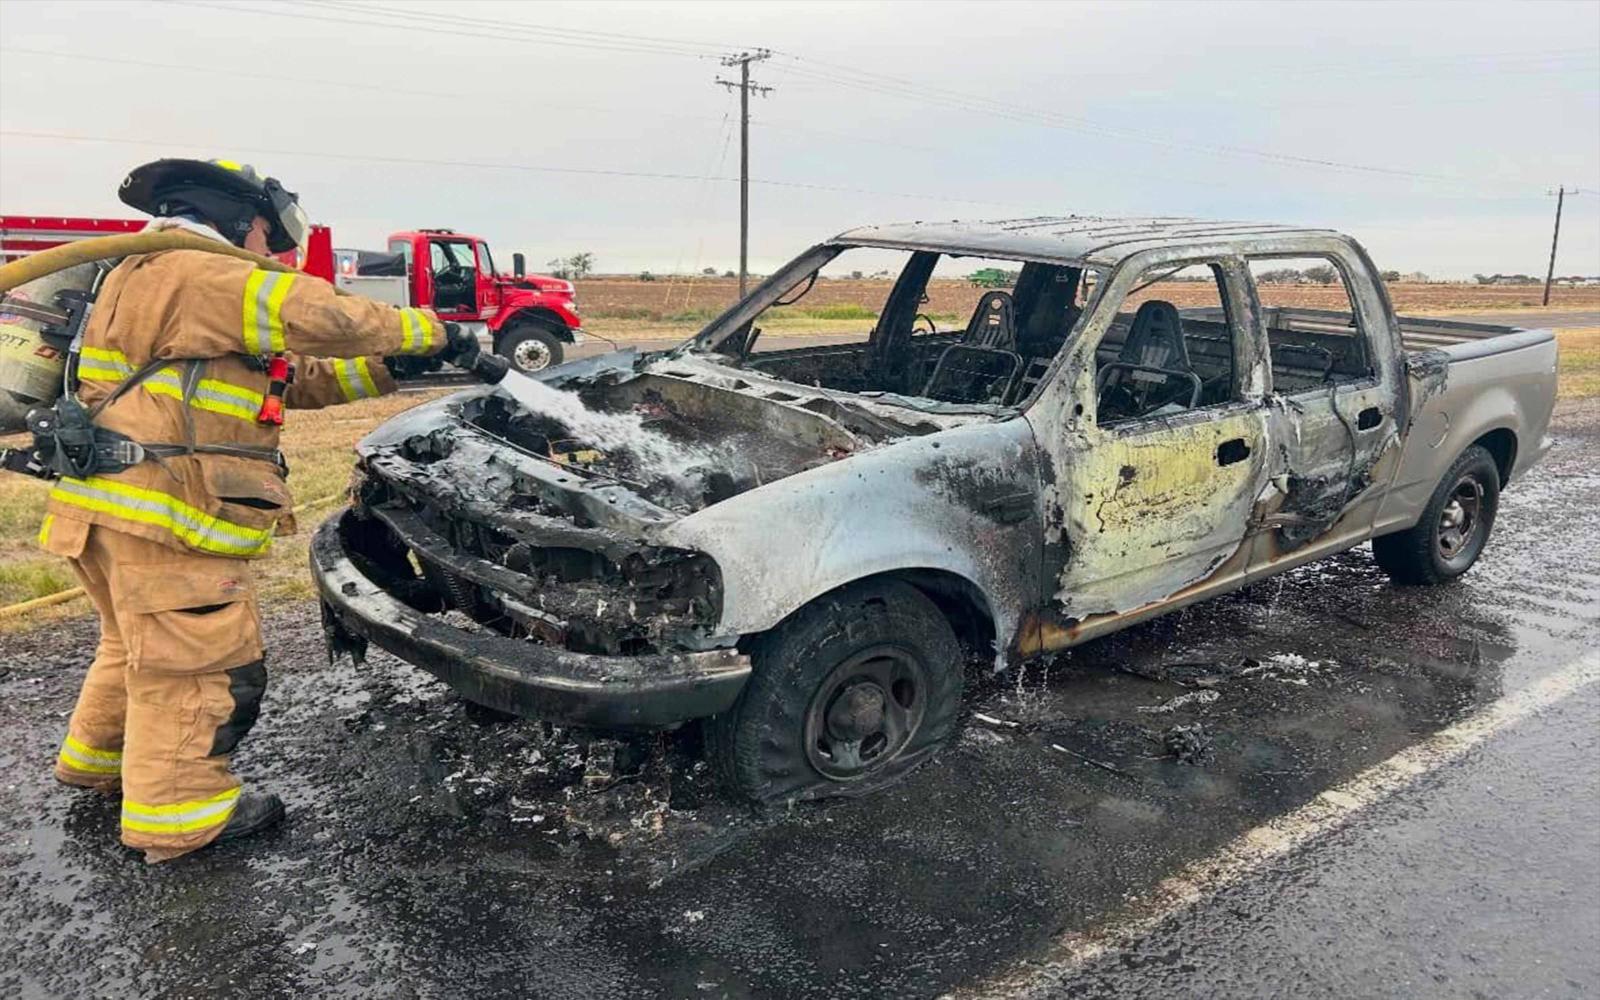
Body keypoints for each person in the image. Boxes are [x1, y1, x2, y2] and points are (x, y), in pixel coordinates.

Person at [38, 158, 478, 862]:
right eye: (269, 234)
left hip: (104, 509)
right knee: (194, 664)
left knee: (135, 647)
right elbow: (323, 315)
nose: (273, 249)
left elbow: (282, 379)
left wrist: (392, 367)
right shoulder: (202, 273)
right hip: (169, 512)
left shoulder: (139, 276)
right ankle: (180, 815)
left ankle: (97, 762)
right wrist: (433, 332)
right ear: (240, 220)